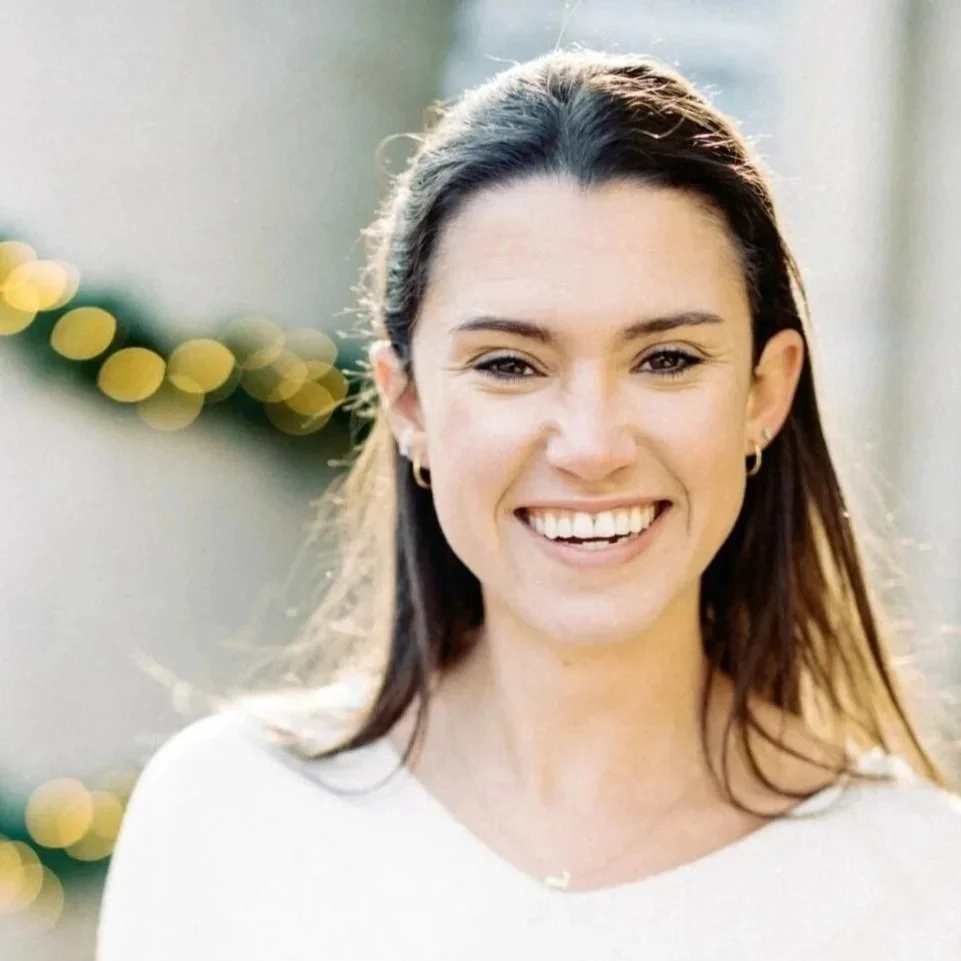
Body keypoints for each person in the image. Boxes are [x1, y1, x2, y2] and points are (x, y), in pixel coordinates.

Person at [96, 49, 961, 960]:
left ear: (762, 391)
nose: (590, 445)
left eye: (665, 359)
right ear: (409, 404)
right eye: (510, 365)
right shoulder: (223, 821)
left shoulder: (921, 883)